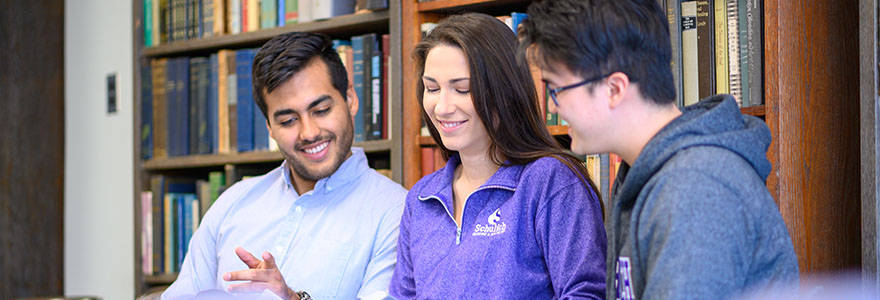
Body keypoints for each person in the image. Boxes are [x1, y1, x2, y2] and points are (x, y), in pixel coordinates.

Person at [517, 0, 799, 299]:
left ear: (614, 89)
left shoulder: (696, 186)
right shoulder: (649, 173)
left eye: (556, 89)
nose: (550, 106)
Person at [161, 32, 407, 300]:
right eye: (288, 120)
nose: (309, 132)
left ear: (350, 100)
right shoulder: (232, 202)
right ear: (269, 127)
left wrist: (291, 298)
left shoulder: (396, 212)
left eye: (321, 110)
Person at [389, 13, 607, 299]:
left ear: (504, 91)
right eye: (432, 88)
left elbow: (587, 292)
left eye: (462, 89)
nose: (442, 107)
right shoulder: (420, 199)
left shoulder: (550, 182)